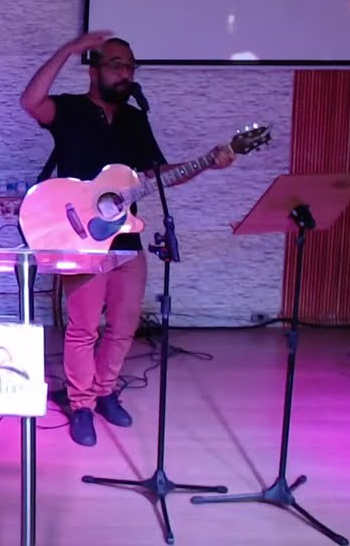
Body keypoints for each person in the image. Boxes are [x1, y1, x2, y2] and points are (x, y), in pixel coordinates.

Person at [19, 31, 233, 446]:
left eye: (130, 68)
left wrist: (206, 163)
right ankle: (81, 404)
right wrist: (68, 50)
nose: (125, 74)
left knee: (124, 324)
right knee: (84, 327)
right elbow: (30, 101)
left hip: (124, 236)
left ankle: (104, 392)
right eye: (116, 65)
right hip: (81, 238)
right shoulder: (70, 109)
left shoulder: (136, 119)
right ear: (94, 70)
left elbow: (154, 174)